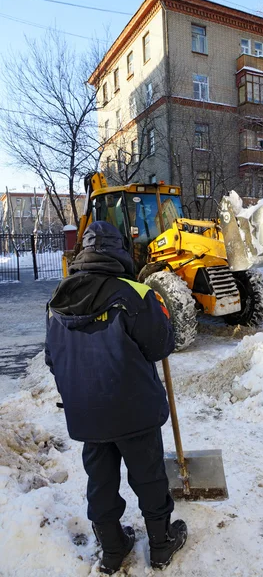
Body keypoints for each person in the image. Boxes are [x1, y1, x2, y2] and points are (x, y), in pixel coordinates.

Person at [45, 221, 187, 574]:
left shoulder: (58, 298)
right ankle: (160, 544)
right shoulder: (135, 293)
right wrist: (162, 316)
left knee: (101, 479)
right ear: (119, 251)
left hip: (86, 413)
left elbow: (52, 357)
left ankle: (111, 548)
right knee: (148, 475)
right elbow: (161, 346)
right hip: (133, 409)